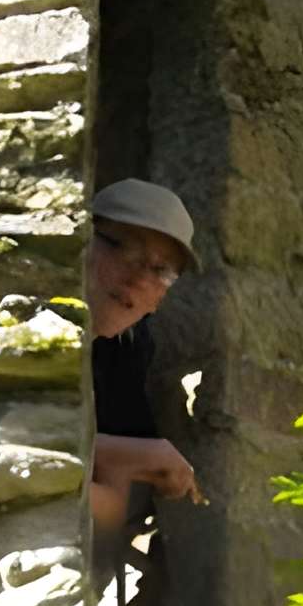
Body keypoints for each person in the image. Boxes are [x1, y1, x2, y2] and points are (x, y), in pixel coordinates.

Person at [86, 178, 201, 534]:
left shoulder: (127, 347)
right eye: (127, 250)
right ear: (81, 240)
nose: (138, 279)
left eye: (162, 271)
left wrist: (130, 458)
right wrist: (133, 456)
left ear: (159, 301)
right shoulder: (20, 320)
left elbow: (112, 503)